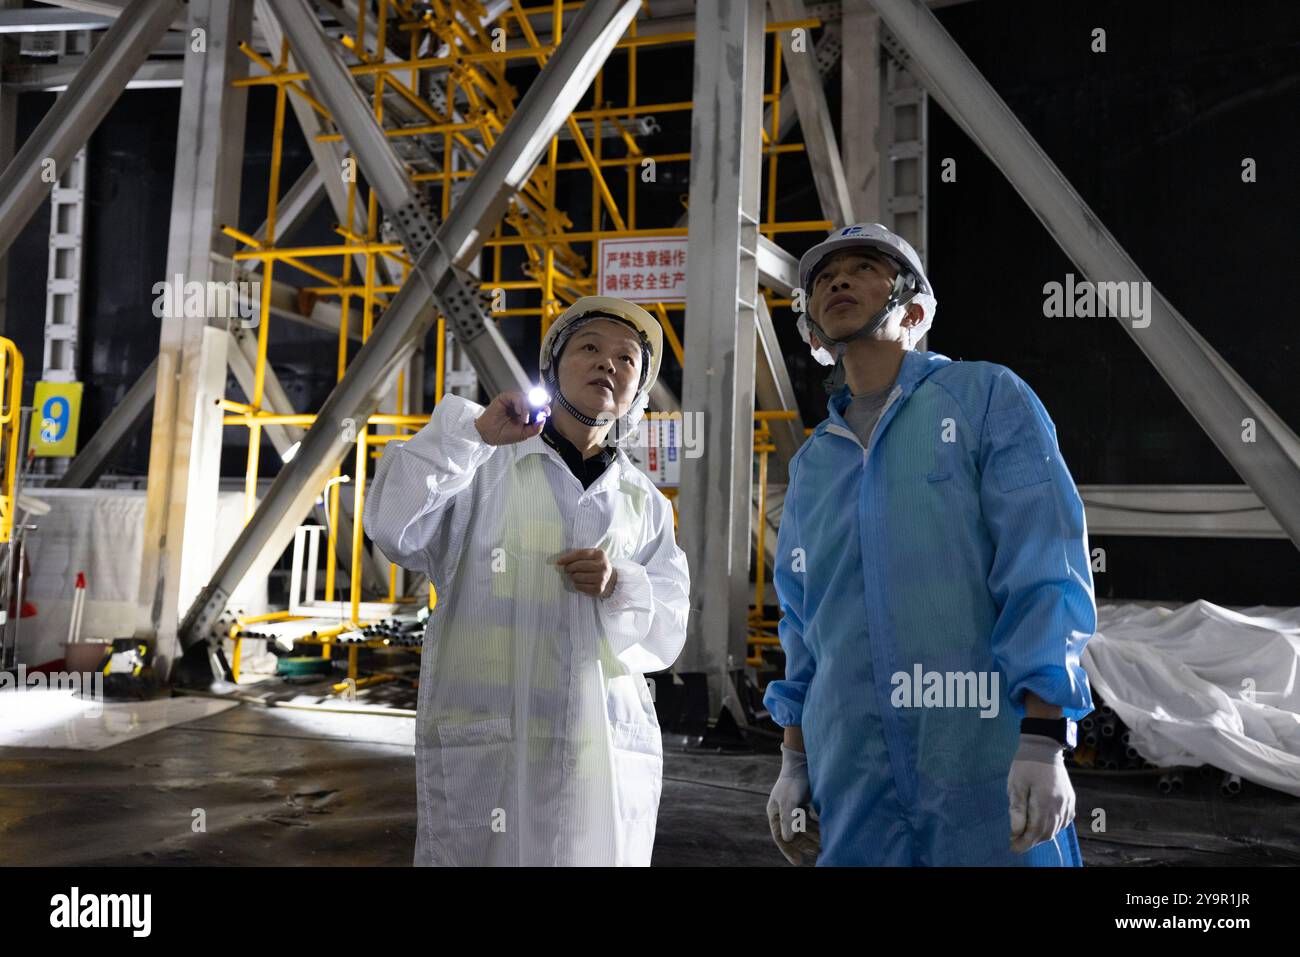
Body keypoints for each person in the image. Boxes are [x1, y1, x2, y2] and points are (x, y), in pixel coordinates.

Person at [764, 223, 1095, 866]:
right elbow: (802, 625)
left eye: (864, 268)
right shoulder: (813, 464)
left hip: (980, 757)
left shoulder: (985, 398)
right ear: (810, 329)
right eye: (825, 277)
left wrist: (1043, 738)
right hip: (848, 769)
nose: (837, 280)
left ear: (913, 308)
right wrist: (793, 758)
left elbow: (1044, 568)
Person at [364, 295, 690, 866]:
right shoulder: (483, 465)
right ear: (552, 368)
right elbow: (393, 528)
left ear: (638, 388)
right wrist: (470, 437)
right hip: (491, 748)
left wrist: (622, 585)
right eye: (589, 348)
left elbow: (666, 634)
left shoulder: (645, 503)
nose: (607, 365)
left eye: (627, 358)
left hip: (600, 755)